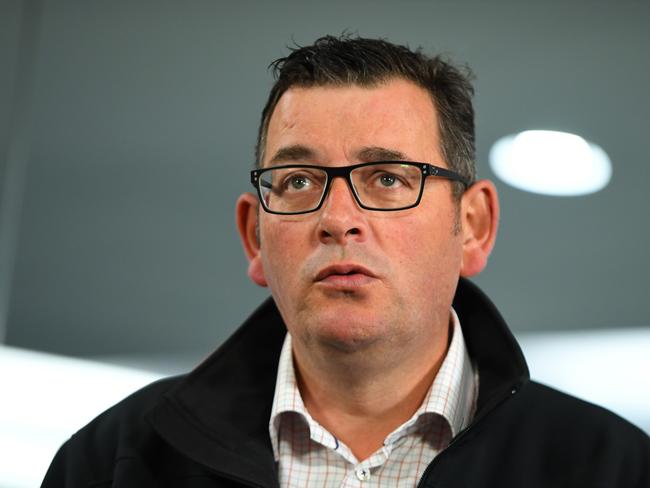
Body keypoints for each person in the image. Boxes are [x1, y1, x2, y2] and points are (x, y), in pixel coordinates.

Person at [42, 35, 649, 488]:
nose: (337, 217)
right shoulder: (114, 461)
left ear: (473, 226)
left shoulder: (609, 467)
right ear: (255, 236)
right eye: (300, 180)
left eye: (387, 177)